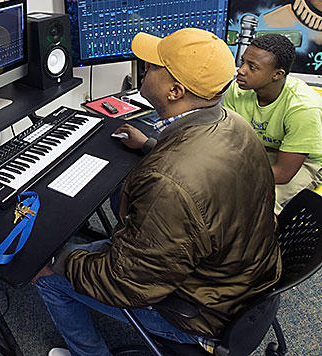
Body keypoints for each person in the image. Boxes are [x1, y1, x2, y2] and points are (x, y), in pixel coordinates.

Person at [34, 28, 282, 356]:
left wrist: (56, 258)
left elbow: (125, 283)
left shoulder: (168, 185)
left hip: (198, 315)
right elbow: (201, 175)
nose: (144, 69)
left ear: (175, 91)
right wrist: (152, 146)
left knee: (45, 275)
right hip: (239, 281)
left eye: (151, 67)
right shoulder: (234, 122)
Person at [225, 33, 322, 214]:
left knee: (258, 200)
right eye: (243, 61)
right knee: (217, 185)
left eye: (252, 67)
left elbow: (283, 174)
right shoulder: (237, 89)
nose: (241, 70)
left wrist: (233, 174)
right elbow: (233, 140)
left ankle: (260, 240)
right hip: (265, 147)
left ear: (277, 74)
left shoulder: (303, 108)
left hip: (308, 162)